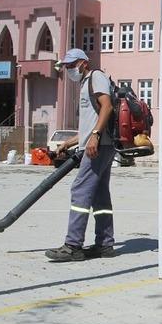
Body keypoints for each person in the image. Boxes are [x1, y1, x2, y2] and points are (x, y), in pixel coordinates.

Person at [45, 48, 116, 261]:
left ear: (83, 62)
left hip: (99, 146)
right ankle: (105, 244)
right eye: (66, 66)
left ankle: (73, 245)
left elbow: (107, 107)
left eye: (70, 65)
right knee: (99, 194)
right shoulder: (85, 83)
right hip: (98, 143)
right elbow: (88, 126)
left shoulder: (96, 77)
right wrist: (68, 142)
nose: (68, 69)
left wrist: (95, 136)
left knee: (80, 190)